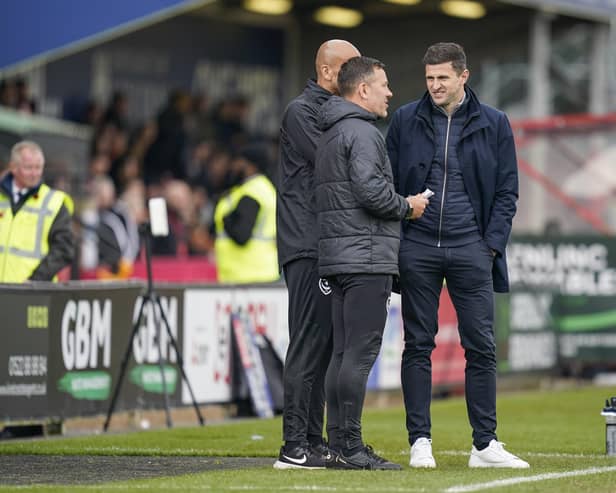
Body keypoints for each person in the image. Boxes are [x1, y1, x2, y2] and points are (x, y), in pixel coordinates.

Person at [385, 42, 529, 469]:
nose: (434, 86)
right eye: (429, 78)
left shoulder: (495, 123)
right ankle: (420, 442)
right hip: (418, 246)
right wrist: (401, 236)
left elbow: (507, 191)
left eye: (442, 78)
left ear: (464, 76)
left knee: (481, 347)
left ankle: (485, 445)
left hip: (472, 247)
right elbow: (387, 182)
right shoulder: (405, 120)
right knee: (418, 345)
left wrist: (489, 246)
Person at [315, 56, 428, 470]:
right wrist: (408, 206)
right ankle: (350, 448)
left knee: (342, 353)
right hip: (364, 258)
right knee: (358, 354)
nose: (390, 93)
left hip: (339, 257)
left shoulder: (330, 131)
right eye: (383, 84)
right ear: (363, 90)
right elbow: (371, 192)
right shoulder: (362, 132)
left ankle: (339, 444)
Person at [274, 39, 361, 470]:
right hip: (306, 242)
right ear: (328, 72)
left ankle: (313, 440)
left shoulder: (332, 113)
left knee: (324, 347)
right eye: (351, 67)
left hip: (328, 242)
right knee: (308, 344)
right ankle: (293, 446)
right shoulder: (301, 111)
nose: (358, 75)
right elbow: (335, 162)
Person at [0, 140, 74, 282]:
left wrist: (36, 280)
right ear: (13, 167)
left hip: (32, 294)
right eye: (28, 168)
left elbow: (64, 249)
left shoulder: (54, 202)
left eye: (38, 167)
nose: (34, 173)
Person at [213, 141, 278, 283]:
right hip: (259, 274)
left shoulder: (252, 192)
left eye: (239, 161)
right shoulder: (263, 188)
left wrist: (226, 219)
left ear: (250, 166)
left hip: (248, 278)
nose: (234, 166)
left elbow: (241, 235)